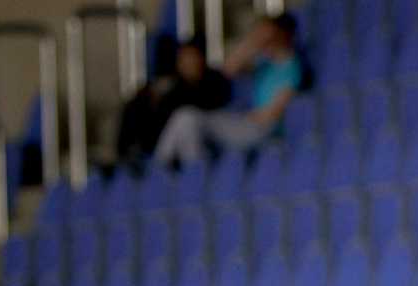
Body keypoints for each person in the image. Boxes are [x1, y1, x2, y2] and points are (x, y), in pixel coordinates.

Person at [154, 10, 305, 171]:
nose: (267, 41)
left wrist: (250, 116)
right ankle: (188, 171)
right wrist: (256, 41)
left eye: (272, 36)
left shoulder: (292, 67)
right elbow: (230, 67)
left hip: (262, 128)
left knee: (188, 116)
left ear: (283, 35)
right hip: (248, 122)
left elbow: (276, 109)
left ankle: (178, 170)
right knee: (186, 120)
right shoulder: (264, 64)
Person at [116, 37, 232, 161]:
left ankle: (183, 170)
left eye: (190, 58)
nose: (186, 63)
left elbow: (208, 108)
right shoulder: (173, 86)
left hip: (200, 135)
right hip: (160, 144)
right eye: (182, 58)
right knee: (136, 106)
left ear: (200, 59)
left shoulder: (214, 82)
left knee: (186, 118)